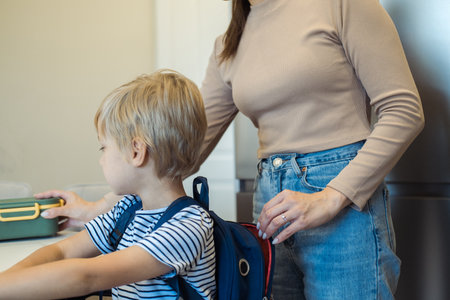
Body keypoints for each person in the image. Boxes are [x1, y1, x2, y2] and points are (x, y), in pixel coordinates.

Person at [41, 0, 425, 299]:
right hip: (271, 209)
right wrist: (101, 208)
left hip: (343, 203)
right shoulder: (230, 43)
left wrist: (330, 197)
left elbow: (404, 110)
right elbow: (172, 149)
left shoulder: (340, 4)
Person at [0, 70, 216, 299]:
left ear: (136, 151)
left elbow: (86, 277)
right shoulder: (128, 209)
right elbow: (62, 252)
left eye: (104, 148)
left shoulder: (188, 227)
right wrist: (8, 280)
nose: (101, 159)